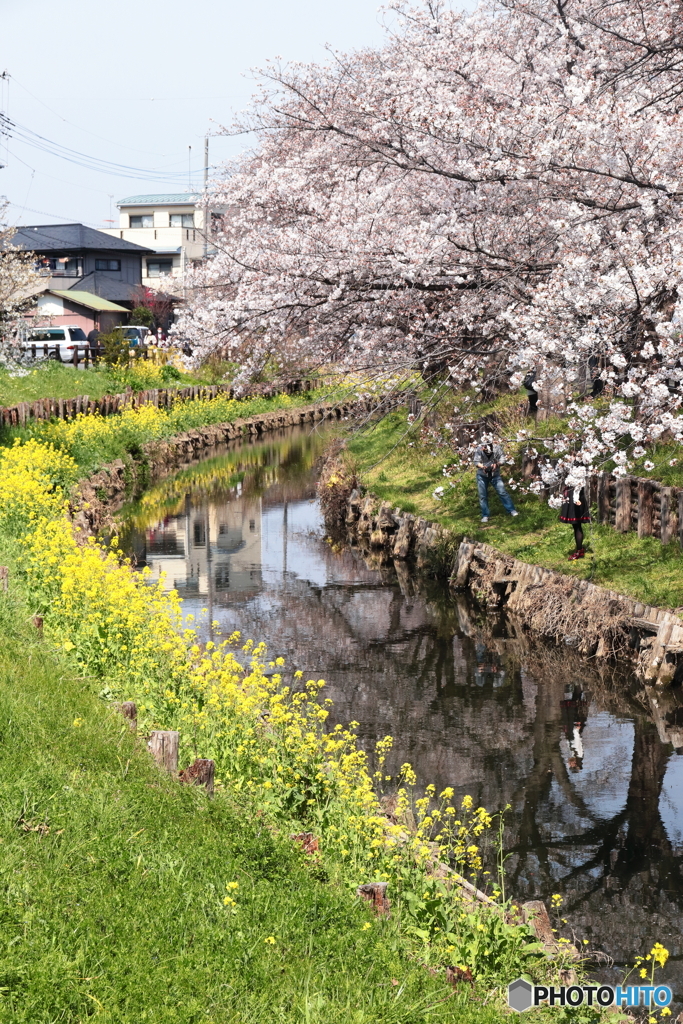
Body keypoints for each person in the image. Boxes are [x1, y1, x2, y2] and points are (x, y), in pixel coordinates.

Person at [473, 440, 519, 523]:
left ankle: (511, 510)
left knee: (502, 492)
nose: (484, 447)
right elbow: (476, 462)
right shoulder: (479, 449)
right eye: (483, 446)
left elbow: (503, 460)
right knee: (483, 495)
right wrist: (483, 467)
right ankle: (485, 515)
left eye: (486, 446)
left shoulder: (497, 449)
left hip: (495, 475)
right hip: (482, 475)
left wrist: (496, 464)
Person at [559, 472, 590, 559]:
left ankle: (579, 551)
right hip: (571, 495)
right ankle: (579, 550)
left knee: (577, 525)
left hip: (575, 497)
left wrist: (575, 499)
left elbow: (579, 484)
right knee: (576, 526)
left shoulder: (578, 469)